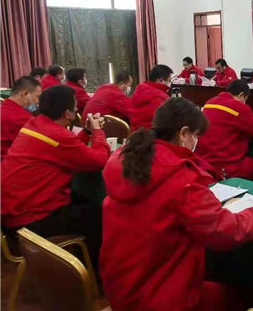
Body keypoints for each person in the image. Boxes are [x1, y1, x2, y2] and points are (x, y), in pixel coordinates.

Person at [100, 98, 253, 311]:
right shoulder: (180, 177)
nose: (197, 142)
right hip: (160, 296)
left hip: (123, 288)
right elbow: (224, 230)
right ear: (183, 133)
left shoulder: (126, 159)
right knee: (244, 295)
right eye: (196, 135)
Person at [1, 85, 110, 263]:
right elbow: (98, 161)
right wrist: (98, 132)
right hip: (30, 220)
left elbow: (62, 149)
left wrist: (86, 132)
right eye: (75, 107)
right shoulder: (57, 135)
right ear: (67, 113)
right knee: (100, 214)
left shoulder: (34, 125)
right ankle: (94, 269)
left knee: (82, 201)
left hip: (11, 210)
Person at [196, 80, 253, 183]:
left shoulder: (209, 103)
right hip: (225, 167)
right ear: (241, 95)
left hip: (203, 163)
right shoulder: (237, 107)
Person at [1, 76, 41, 157]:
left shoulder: (3, 107)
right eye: (37, 97)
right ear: (25, 94)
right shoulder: (23, 118)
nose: (37, 101)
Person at [130, 64, 173, 131]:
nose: (170, 83)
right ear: (161, 80)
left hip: (135, 132)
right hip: (151, 133)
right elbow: (165, 121)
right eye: (169, 81)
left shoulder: (140, 90)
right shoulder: (158, 97)